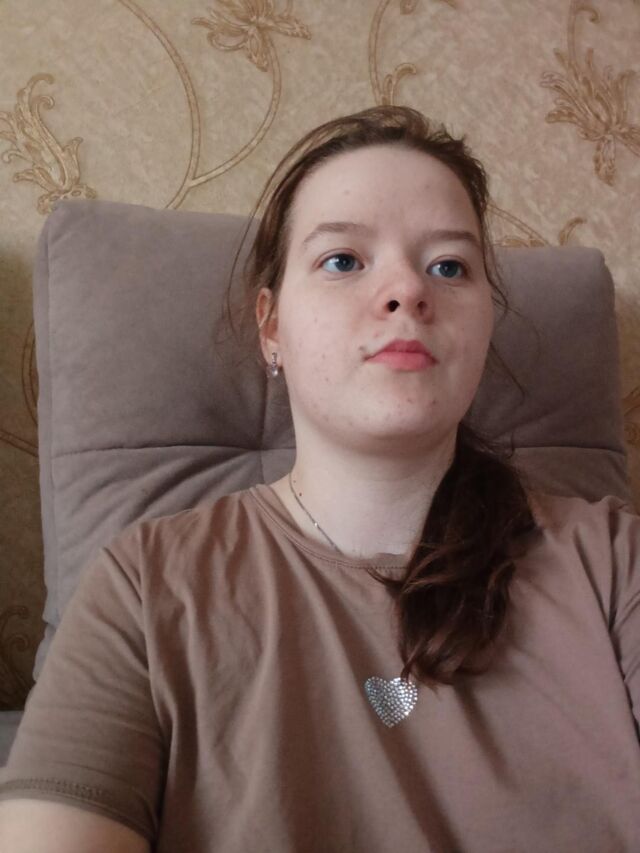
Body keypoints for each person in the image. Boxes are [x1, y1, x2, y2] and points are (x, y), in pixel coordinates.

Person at [0, 105, 638, 852]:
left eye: (449, 266)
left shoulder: (613, 562)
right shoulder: (144, 588)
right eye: (343, 260)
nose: (408, 290)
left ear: (484, 324)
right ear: (271, 326)